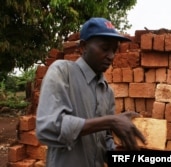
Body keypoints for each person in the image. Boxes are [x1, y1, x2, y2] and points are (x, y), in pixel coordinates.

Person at [36, 17, 147, 167]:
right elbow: (47, 128)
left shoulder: (107, 91)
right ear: (83, 47)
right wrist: (111, 121)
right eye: (105, 48)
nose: (111, 56)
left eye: (114, 50)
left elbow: (105, 139)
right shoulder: (62, 72)